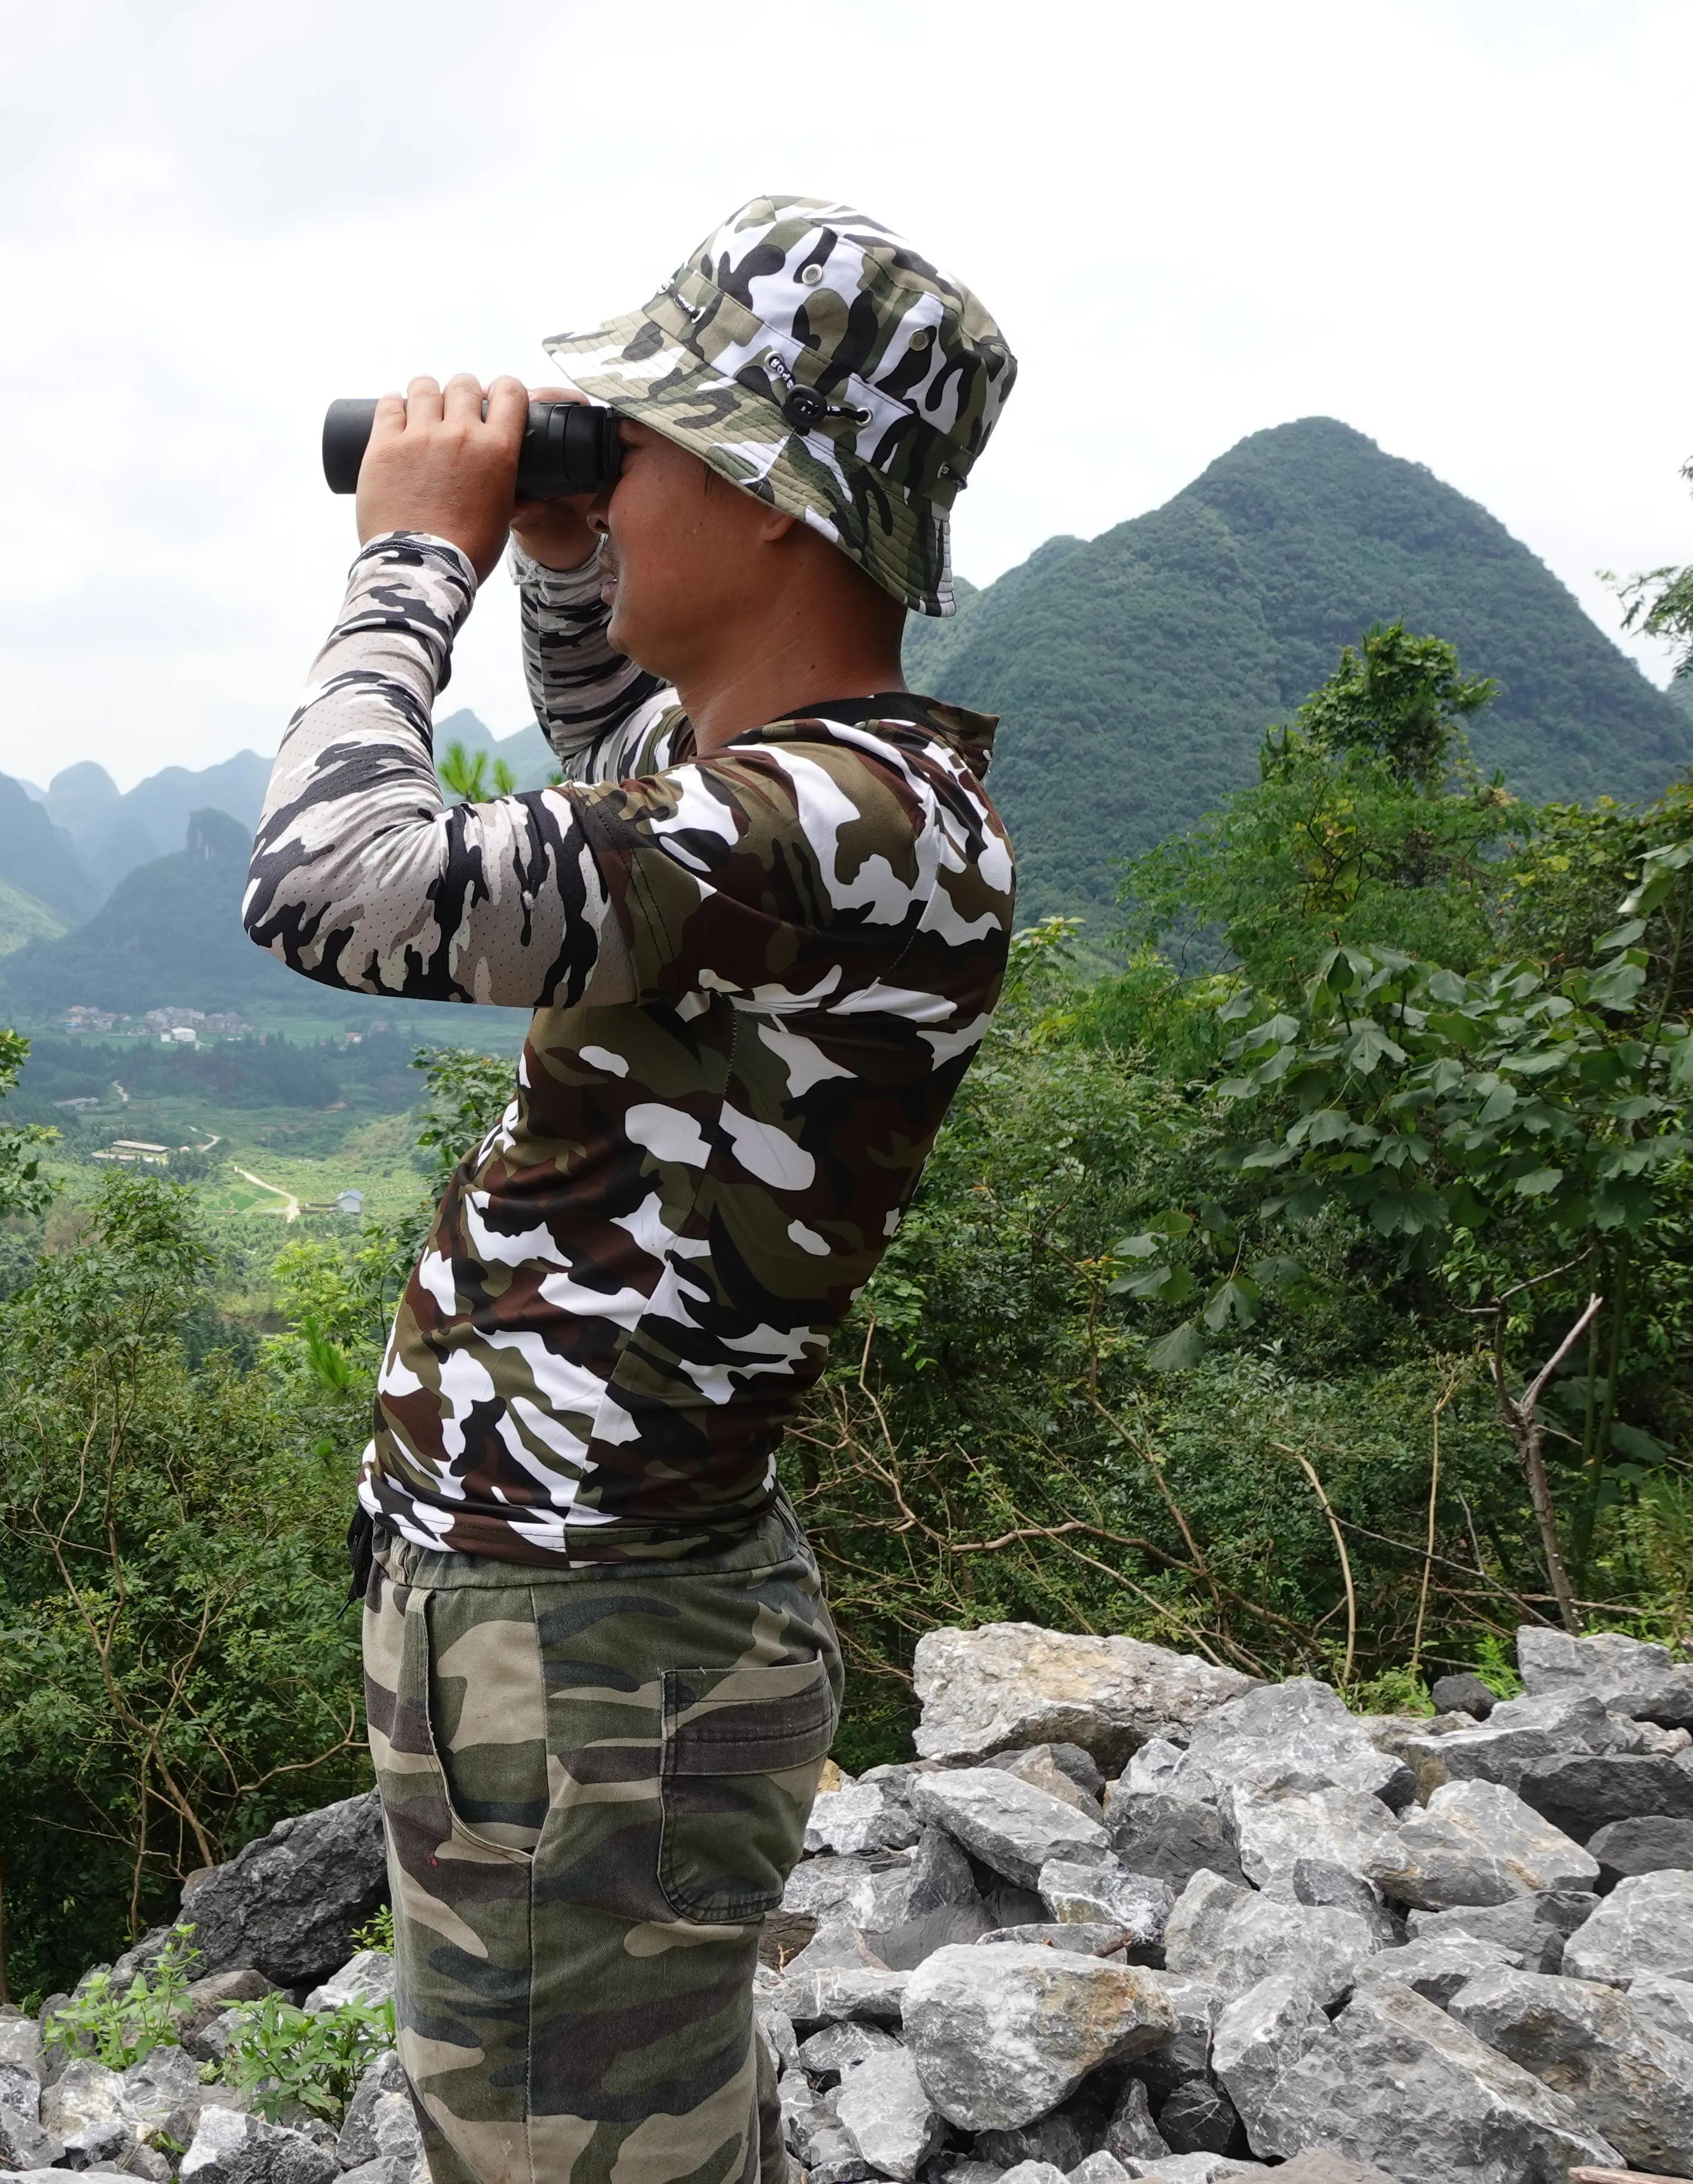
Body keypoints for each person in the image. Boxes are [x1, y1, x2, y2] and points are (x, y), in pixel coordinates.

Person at [241, 198, 1019, 2184]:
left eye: (640, 443)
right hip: (593, 1625)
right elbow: (618, 762)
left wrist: (417, 554)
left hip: (591, 1649)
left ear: (773, 501)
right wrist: (576, 564)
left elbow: (334, 883)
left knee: (570, 2157)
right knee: (629, 2124)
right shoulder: (833, 795)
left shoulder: (835, 820)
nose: (600, 464)